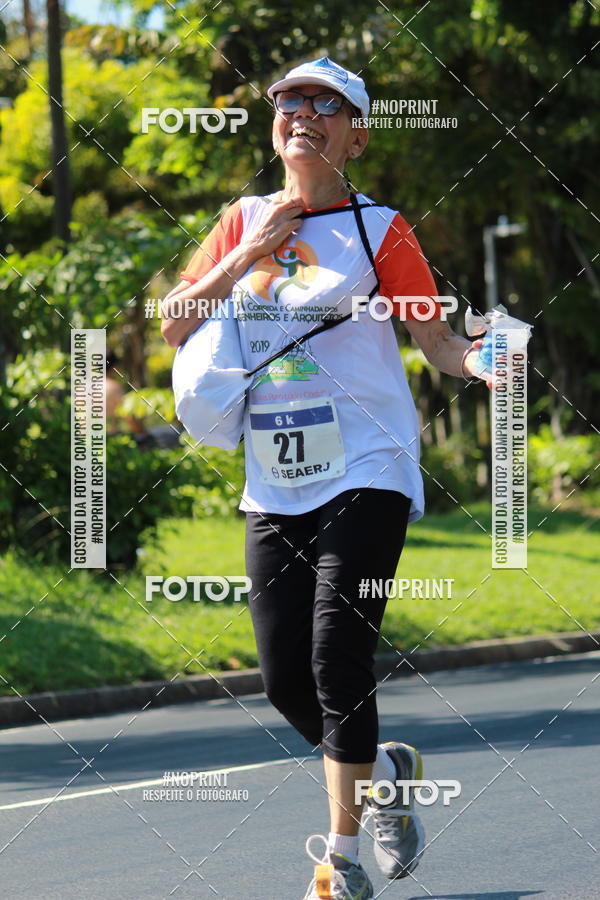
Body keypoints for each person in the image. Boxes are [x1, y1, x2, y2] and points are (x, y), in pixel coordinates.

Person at [162, 56, 487, 900]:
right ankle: (386, 769)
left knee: (338, 655)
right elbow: (171, 323)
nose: (302, 113)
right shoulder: (239, 219)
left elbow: (440, 346)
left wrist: (489, 362)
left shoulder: (384, 231)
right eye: (289, 101)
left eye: (326, 104)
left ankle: (337, 861)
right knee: (282, 680)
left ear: (357, 134)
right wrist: (247, 256)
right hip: (274, 473)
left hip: (369, 463)